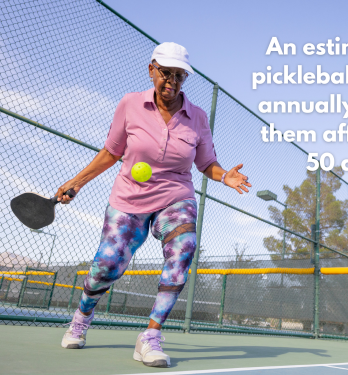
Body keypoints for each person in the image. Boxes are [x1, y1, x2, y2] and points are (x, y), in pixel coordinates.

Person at [56, 42, 251, 368]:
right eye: (166, 73)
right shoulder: (130, 105)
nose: (172, 81)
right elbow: (111, 153)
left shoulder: (198, 117)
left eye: (179, 75)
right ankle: (82, 317)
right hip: (128, 198)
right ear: (152, 70)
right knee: (107, 265)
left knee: (184, 248)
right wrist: (76, 182)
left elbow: (207, 163)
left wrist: (223, 177)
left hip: (176, 196)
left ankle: (150, 336)